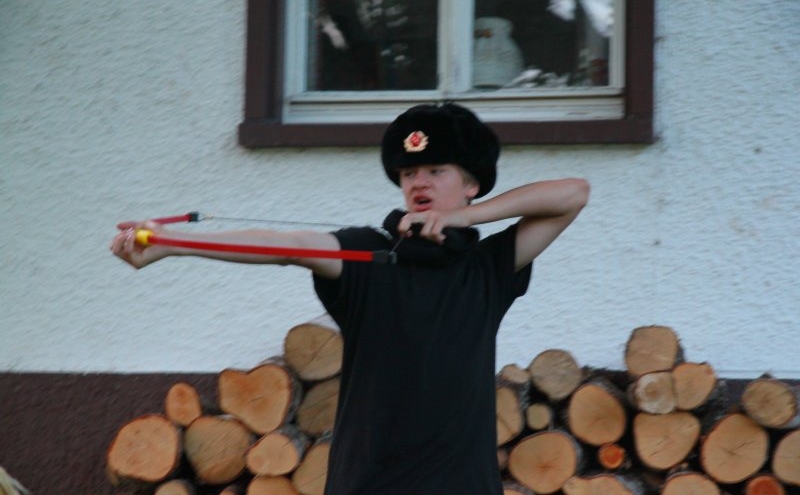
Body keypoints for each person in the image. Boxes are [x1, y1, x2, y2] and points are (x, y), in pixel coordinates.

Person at [111, 103, 589, 494]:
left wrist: (467, 218)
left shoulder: (488, 266)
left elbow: (573, 194)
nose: (418, 182)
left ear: (471, 185)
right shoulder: (367, 253)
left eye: (436, 170)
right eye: (408, 172)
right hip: (368, 484)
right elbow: (290, 247)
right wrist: (173, 244)